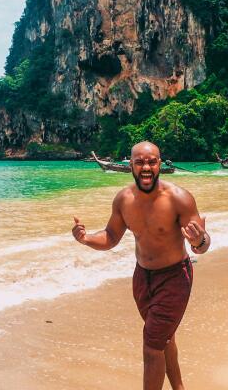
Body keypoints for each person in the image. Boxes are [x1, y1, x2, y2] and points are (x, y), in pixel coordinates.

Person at [72, 141, 211, 390]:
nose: (146, 167)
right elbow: (111, 237)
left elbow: (200, 245)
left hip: (174, 278)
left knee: (151, 343)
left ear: (159, 164)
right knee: (163, 338)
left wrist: (199, 240)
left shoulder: (179, 198)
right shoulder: (123, 200)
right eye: (140, 162)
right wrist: (86, 239)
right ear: (131, 165)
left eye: (151, 162)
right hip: (142, 278)